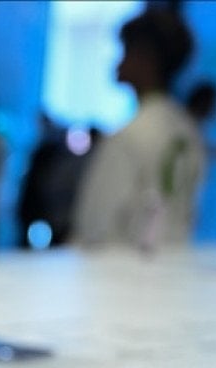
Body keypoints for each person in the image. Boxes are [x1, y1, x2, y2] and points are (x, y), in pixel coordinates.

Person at [72, 9, 205, 251]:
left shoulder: (131, 134)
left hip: (124, 266)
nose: (118, 62)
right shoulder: (188, 130)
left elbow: (94, 226)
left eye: (125, 51)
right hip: (174, 261)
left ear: (146, 58)